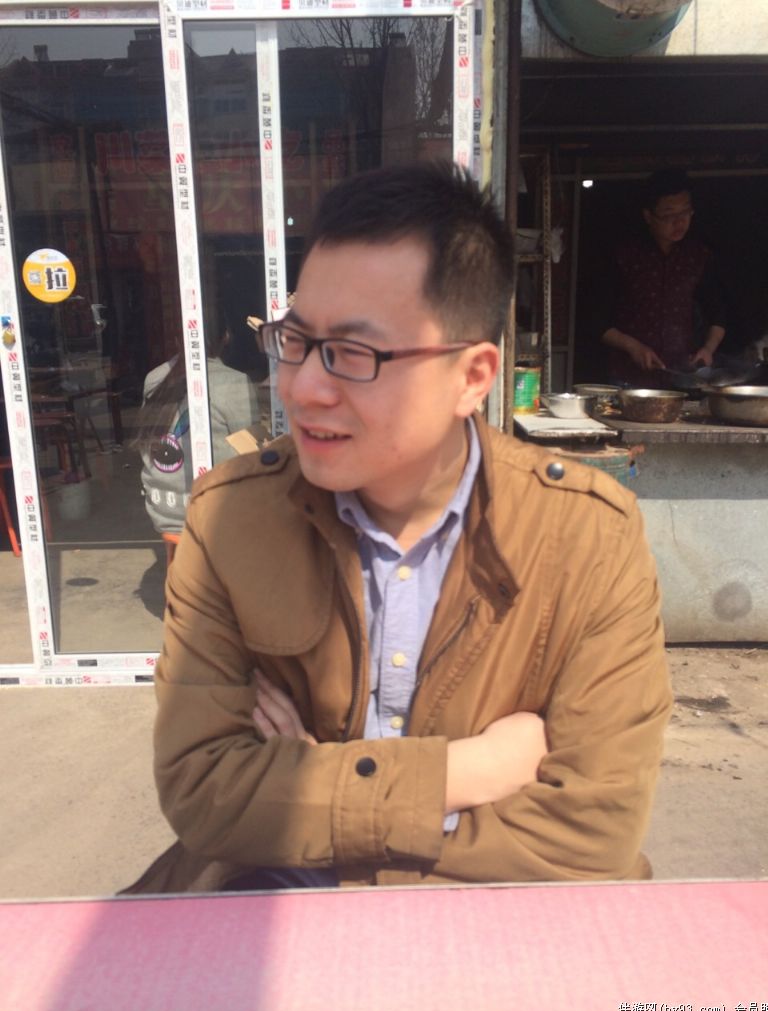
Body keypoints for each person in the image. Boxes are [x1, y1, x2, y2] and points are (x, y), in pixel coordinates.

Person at [126, 162, 671, 895]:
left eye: (355, 354)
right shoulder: (229, 518)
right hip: (270, 902)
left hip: (505, 923)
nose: (302, 388)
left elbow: (592, 831)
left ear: (472, 377)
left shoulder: (588, 536)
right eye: (296, 340)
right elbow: (204, 794)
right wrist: (464, 773)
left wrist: (311, 784)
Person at [601, 169, 726, 387]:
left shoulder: (698, 256)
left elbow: (718, 313)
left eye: (685, 213)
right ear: (648, 216)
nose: (679, 222)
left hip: (682, 377)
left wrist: (707, 349)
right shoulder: (625, 255)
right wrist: (633, 347)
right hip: (627, 378)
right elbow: (597, 319)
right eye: (669, 216)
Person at [137, 326, 260, 536]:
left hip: (163, 511)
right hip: (213, 517)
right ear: (226, 337)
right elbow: (251, 452)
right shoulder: (232, 381)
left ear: (177, 340)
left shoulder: (153, 377)